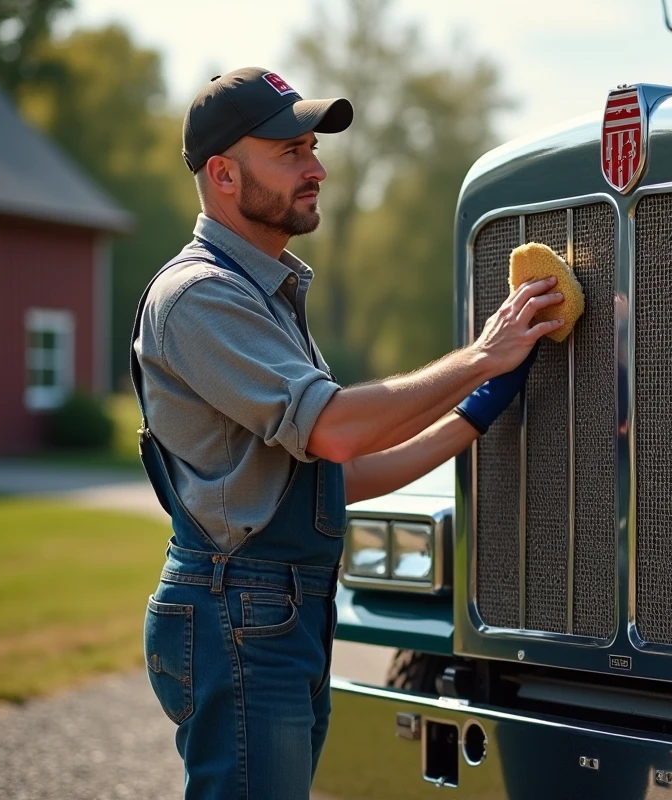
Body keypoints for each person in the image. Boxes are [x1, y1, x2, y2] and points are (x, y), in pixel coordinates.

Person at [129, 67, 563, 799]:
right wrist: (483, 354)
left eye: (311, 149)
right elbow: (334, 430)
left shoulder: (265, 293)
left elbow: (335, 478)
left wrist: (481, 406)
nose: (317, 169)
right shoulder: (199, 296)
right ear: (223, 174)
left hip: (277, 612)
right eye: (291, 152)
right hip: (240, 613)